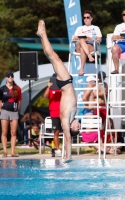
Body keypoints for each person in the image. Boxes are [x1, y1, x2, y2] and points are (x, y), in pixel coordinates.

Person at [37, 20, 78, 163]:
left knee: (53, 56)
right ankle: (42, 36)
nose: (79, 124)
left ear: (73, 128)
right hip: (64, 84)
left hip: (65, 82)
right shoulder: (72, 116)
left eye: (78, 126)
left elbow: (67, 137)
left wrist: (68, 156)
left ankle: (43, 34)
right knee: (51, 56)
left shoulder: (67, 122)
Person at [0, 71, 22, 157]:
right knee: (4, 132)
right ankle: (5, 151)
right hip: (5, 111)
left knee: (13, 132)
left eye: (12, 76)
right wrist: (2, 108)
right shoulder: (2, 89)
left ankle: (12, 152)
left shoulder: (17, 88)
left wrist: (16, 109)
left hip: (14, 112)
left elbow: (19, 101)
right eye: (8, 76)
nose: (10, 77)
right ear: (6, 78)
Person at [73, 10, 102, 75]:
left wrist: (90, 38)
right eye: (84, 18)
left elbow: (99, 39)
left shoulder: (95, 28)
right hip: (79, 45)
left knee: (82, 49)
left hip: (90, 45)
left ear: (91, 18)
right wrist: (83, 38)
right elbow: (74, 38)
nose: (86, 19)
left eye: (88, 17)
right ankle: (89, 56)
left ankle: (81, 70)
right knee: (81, 39)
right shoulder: (79, 28)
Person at [43, 75, 62, 157]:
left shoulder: (62, 88)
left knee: (66, 131)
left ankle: (66, 149)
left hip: (63, 112)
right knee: (56, 132)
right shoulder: (50, 89)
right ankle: (58, 150)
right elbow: (45, 96)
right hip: (54, 112)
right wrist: (48, 86)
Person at [111, 9, 125, 74]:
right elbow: (113, 37)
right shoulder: (119, 26)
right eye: (124, 15)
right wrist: (119, 37)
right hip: (120, 43)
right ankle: (116, 69)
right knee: (114, 49)